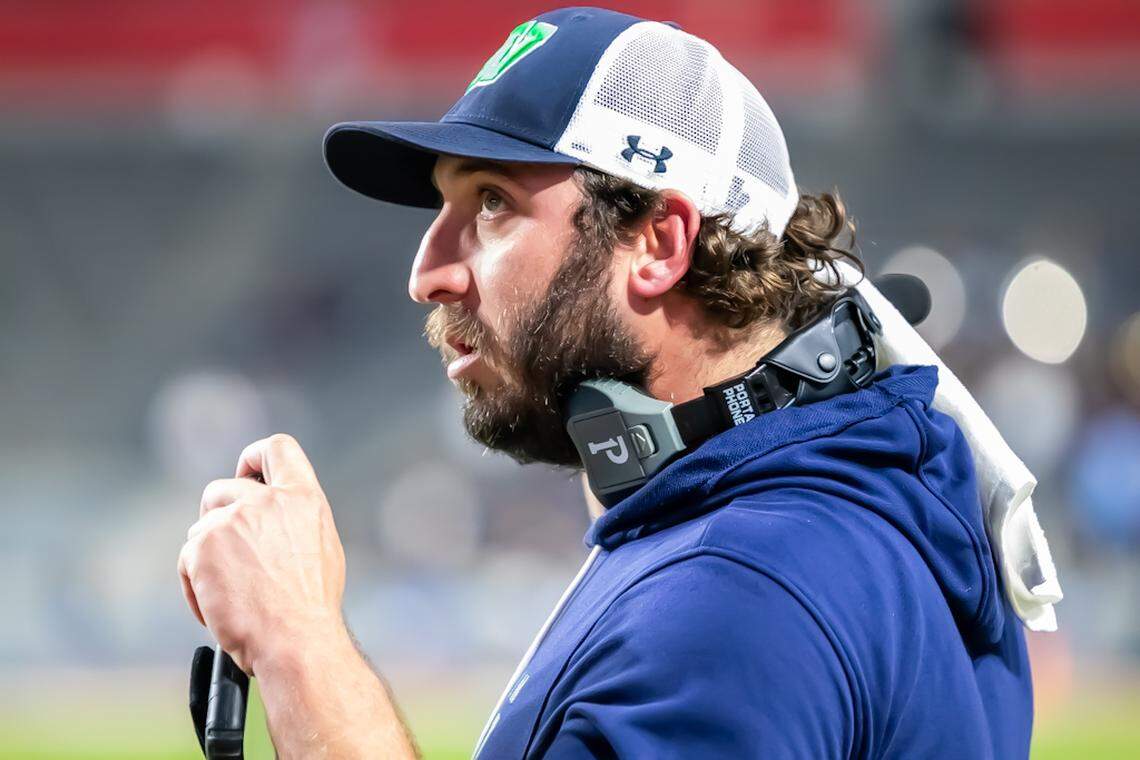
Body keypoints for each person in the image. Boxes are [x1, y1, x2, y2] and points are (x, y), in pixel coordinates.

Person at [177, 7, 1034, 758]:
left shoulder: (738, 601)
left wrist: (299, 647)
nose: (427, 272)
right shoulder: (822, 516)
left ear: (660, 244)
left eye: (491, 203)